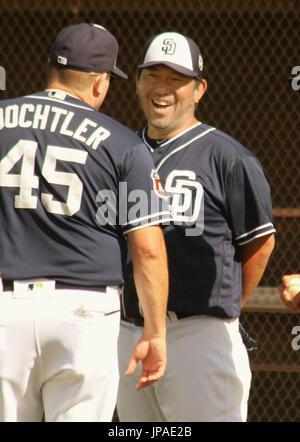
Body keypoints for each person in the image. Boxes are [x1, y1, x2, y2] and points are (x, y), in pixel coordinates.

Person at [0, 23, 172, 422]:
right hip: (83, 311)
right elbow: (147, 248)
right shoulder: (123, 142)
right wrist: (155, 332)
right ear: (99, 83)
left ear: (51, 70)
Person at [117, 31, 276, 422]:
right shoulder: (119, 151)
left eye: (176, 79)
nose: (162, 89)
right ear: (137, 82)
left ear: (199, 89)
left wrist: (223, 311)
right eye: (153, 75)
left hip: (198, 333)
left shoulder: (228, 157)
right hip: (126, 332)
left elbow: (261, 244)